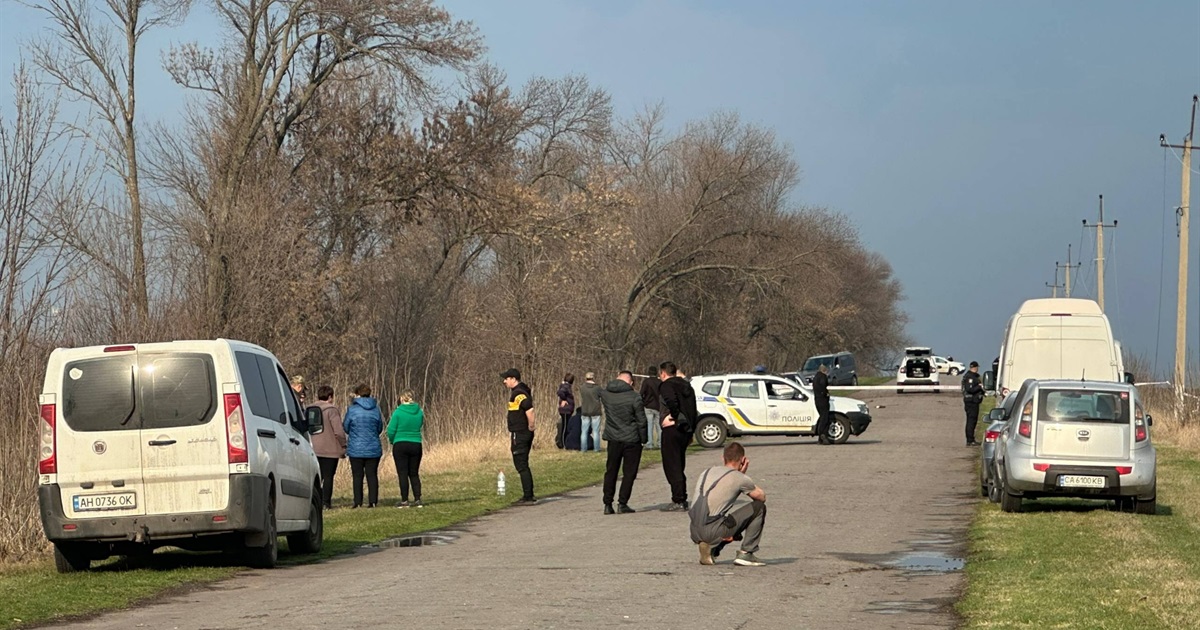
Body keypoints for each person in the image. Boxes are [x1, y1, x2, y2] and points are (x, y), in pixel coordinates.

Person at [690, 442, 768, 567]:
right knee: (758, 508)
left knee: (726, 520)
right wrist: (743, 475)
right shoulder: (739, 478)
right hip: (714, 530)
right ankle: (746, 553)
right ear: (743, 460)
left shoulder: (706, 472)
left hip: (694, 530)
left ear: (723, 458)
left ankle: (712, 549)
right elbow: (761, 497)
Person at [598, 370, 648, 515]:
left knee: (611, 471)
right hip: (632, 439)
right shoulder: (635, 397)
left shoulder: (606, 394)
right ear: (631, 382)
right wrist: (643, 439)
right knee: (629, 473)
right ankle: (622, 502)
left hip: (613, 438)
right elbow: (641, 421)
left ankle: (607, 503)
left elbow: (596, 391)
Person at [658, 361, 697, 511]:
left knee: (671, 464)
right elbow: (693, 408)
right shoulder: (687, 386)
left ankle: (678, 499)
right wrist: (690, 427)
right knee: (679, 463)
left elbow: (671, 401)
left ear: (663, 373)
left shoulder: (667, 385)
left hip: (672, 428)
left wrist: (674, 416)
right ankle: (682, 496)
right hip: (685, 429)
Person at [343, 384, 383, 508]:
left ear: (357, 394)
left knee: (357, 475)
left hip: (356, 448)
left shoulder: (352, 410)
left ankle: (358, 502)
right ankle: (373, 501)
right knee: (372, 475)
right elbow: (379, 428)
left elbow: (346, 427)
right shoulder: (376, 409)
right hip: (373, 447)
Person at [502, 368, 537, 504]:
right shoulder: (519, 391)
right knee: (523, 463)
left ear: (513, 379)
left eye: (506, 379)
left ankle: (528, 496)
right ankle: (528, 494)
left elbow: (530, 409)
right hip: (520, 432)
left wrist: (531, 426)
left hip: (520, 433)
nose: (504, 381)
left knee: (521, 464)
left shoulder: (519, 394)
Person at [310, 385, 347, 509]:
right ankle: (326, 502)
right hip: (330, 450)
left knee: (315, 478)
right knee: (328, 477)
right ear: (330, 397)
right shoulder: (332, 410)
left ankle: (314, 501)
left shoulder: (309, 409)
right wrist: (343, 445)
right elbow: (339, 431)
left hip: (313, 448)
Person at [387, 390, 425, 508]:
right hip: (416, 443)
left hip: (400, 444)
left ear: (402, 399)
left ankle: (404, 500)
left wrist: (393, 440)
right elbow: (420, 425)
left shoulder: (398, 412)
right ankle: (418, 499)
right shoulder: (419, 412)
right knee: (414, 473)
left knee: (402, 473)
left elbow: (391, 430)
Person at [577, 372, 603, 452]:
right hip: (595, 411)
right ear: (593, 378)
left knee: (584, 431)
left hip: (585, 410)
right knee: (595, 431)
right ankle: (596, 448)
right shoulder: (597, 388)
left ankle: (583, 449)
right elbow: (602, 395)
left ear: (586, 378)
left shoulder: (582, 387)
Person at [962, 361, 985, 446]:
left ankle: (971, 439)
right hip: (971, 402)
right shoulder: (970, 377)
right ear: (974, 368)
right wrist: (979, 386)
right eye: (976, 367)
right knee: (971, 421)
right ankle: (970, 440)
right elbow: (970, 389)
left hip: (973, 401)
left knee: (973, 420)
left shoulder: (973, 376)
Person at [639, 366, 662, 450]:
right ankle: (660, 443)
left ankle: (650, 444)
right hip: (658, 406)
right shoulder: (660, 382)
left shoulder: (646, 382)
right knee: (659, 426)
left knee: (649, 425)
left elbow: (641, 393)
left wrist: (643, 402)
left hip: (648, 406)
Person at [812, 363, 832, 445]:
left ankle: (820, 438)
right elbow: (823, 386)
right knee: (825, 418)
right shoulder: (823, 377)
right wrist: (826, 393)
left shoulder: (815, 377)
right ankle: (823, 434)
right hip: (823, 400)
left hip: (817, 399)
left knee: (821, 417)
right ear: (824, 370)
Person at [556, 374, 575, 449]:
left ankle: (563, 442)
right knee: (565, 427)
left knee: (565, 426)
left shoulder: (565, 385)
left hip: (566, 410)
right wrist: (564, 399)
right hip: (565, 410)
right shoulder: (566, 386)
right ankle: (563, 443)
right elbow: (560, 392)